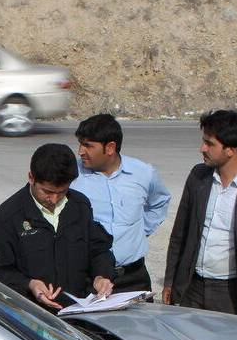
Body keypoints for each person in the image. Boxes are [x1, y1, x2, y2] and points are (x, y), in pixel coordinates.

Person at [163, 110, 237, 319]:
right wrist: (170, 282)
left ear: (231, 149)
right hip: (192, 288)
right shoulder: (198, 177)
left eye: (209, 144)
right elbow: (180, 234)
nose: (202, 148)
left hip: (233, 294)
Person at [0, 143, 115, 309]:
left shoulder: (80, 206)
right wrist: (29, 284)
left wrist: (100, 277)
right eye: (47, 192)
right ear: (31, 178)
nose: (54, 199)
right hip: (32, 315)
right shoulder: (7, 217)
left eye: (61, 192)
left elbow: (98, 250)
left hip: (80, 311)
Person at [71, 113, 170, 293]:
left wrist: (140, 231)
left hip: (134, 277)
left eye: (88, 145)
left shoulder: (143, 173)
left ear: (110, 148)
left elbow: (159, 202)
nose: (80, 151)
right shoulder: (72, 175)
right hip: (91, 279)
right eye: (80, 144)